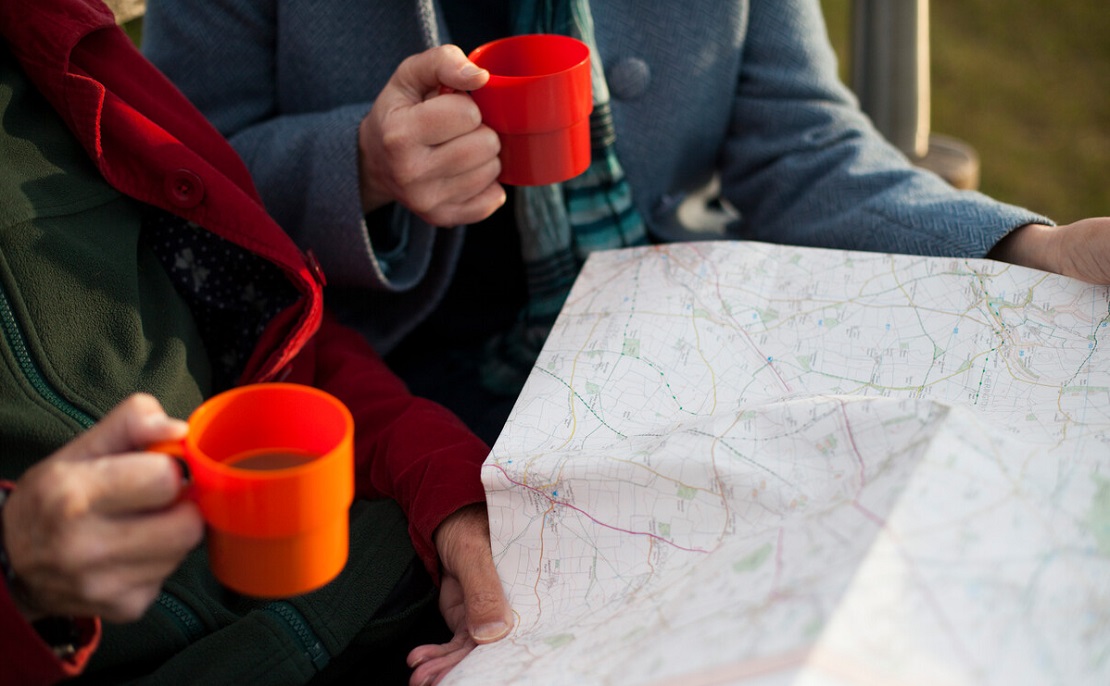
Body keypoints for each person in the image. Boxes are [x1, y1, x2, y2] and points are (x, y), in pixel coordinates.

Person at [141, 0, 1110, 447]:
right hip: (387, 397)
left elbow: (800, 142)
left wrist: (1036, 249)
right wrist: (362, 165)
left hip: (677, 356)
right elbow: (174, 178)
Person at [0, 1, 512, 685]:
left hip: (382, 583)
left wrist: (440, 483)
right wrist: (18, 573)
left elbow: (271, 328)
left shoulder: (58, 48)